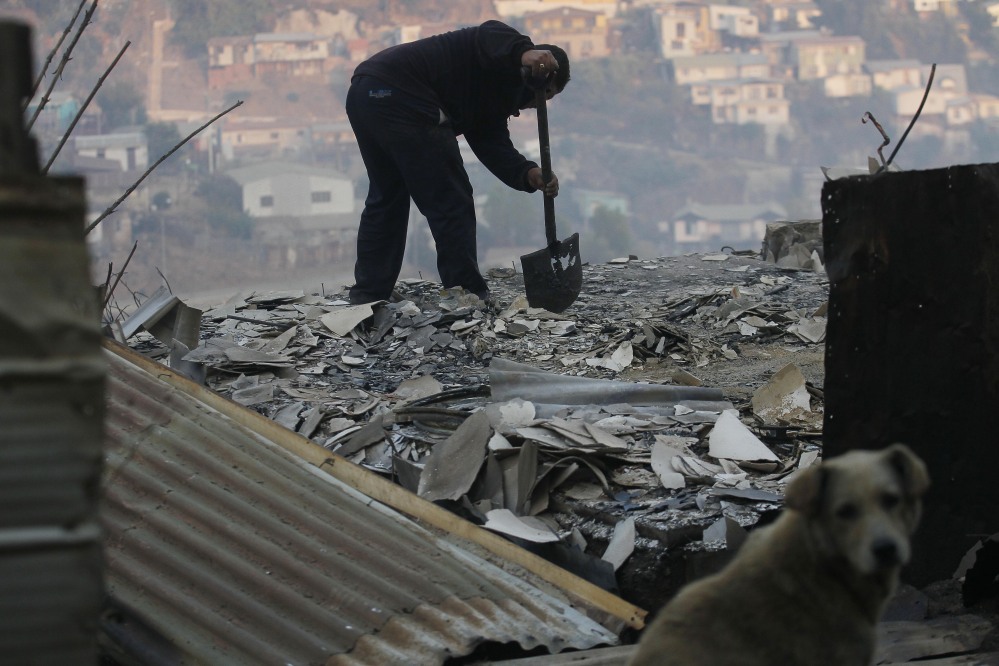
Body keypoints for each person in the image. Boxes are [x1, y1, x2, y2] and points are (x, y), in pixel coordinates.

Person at [344, 20, 570, 305]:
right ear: (536, 71)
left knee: (387, 197)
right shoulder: (502, 49)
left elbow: (492, 145)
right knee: (451, 200)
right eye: (546, 93)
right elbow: (488, 33)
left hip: (367, 92)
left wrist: (529, 173)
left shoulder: (493, 97)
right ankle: (464, 294)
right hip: (402, 95)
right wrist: (523, 52)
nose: (540, 103)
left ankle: (370, 294)